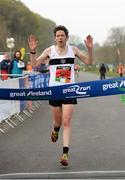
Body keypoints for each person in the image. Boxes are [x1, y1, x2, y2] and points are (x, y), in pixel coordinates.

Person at [28, 25, 93, 166]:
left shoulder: (73, 50)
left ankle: (65, 154)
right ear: (55, 38)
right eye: (58, 36)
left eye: (62, 35)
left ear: (67, 38)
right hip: (55, 91)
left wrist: (89, 49)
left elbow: (89, 62)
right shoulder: (49, 51)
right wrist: (32, 51)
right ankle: (55, 130)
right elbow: (34, 65)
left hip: (69, 90)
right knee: (58, 122)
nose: (60, 38)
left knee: (66, 122)